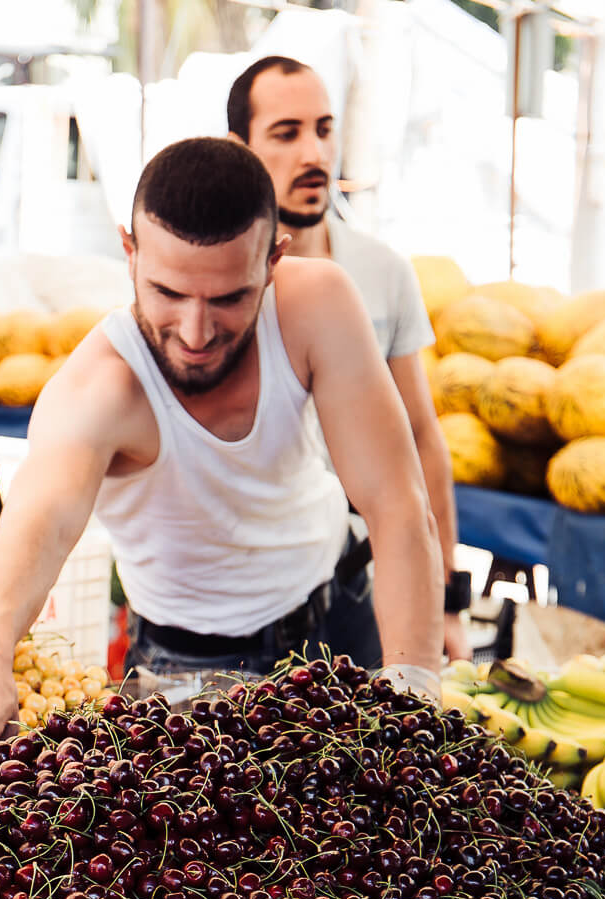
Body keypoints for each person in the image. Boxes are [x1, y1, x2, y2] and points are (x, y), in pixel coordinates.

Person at [0, 137, 442, 766]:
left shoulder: (318, 305)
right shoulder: (101, 388)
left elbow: (397, 504)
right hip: (189, 666)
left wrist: (414, 692)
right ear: (129, 252)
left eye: (228, 299)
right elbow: (39, 525)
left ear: (274, 260)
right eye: (168, 293)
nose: (195, 333)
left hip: (340, 614)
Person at [227, 54, 471, 660]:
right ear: (239, 149)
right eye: (287, 134)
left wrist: (449, 602)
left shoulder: (383, 272)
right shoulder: (215, 287)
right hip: (248, 593)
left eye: (324, 128)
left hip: (356, 584)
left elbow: (420, 437)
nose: (314, 153)